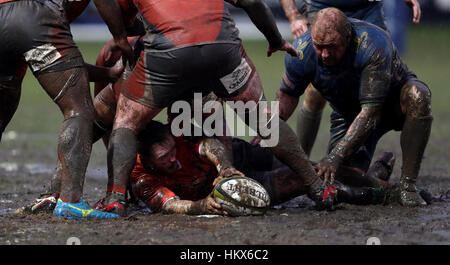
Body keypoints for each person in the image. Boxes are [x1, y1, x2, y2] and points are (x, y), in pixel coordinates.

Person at [93, 0, 335, 216]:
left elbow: (121, 17)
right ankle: (317, 187)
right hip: (222, 49)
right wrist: (275, 39)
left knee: (125, 123)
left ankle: (115, 199)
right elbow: (252, 3)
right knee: (263, 120)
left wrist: (121, 40)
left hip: (169, 52)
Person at [276, 8, 432, 207]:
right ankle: (380, 174)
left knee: (418, 96)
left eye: (331, 47)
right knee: (336, 178)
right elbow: (286, 97)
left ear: (347, 37)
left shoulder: (373, 44)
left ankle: (408, 186)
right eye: (319, 46)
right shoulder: (300, 52)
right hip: (349, 114)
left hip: (391, 104)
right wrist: (267, 128)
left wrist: (335, 155)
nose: (324, 54)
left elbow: (371, 113)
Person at [92, 120, 406, 215]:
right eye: (165, 158)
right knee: (301, 180)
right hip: (223, 190)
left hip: (237, 160)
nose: (173, 158)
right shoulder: (139, 176)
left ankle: (384, 185)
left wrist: (225, 165)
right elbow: (172, 204)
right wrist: (204, 204)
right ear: (146, 160)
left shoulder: (174, 137)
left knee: (312, 169)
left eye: (173, 150)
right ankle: (376, 192)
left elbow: (209, 146)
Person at [0, 0, 134, 219]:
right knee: (79, 110)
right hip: (34, 17)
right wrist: (120, 37)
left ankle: (53, 197)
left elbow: (61, 66)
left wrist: (107, 74)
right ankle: (71, 202)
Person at [277, 0, 421, 157]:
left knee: (373, 88)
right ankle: (301, 161)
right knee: (315, 92)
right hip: (320, 9)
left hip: (367, 9)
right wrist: (293, 16)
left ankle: (352, 160)